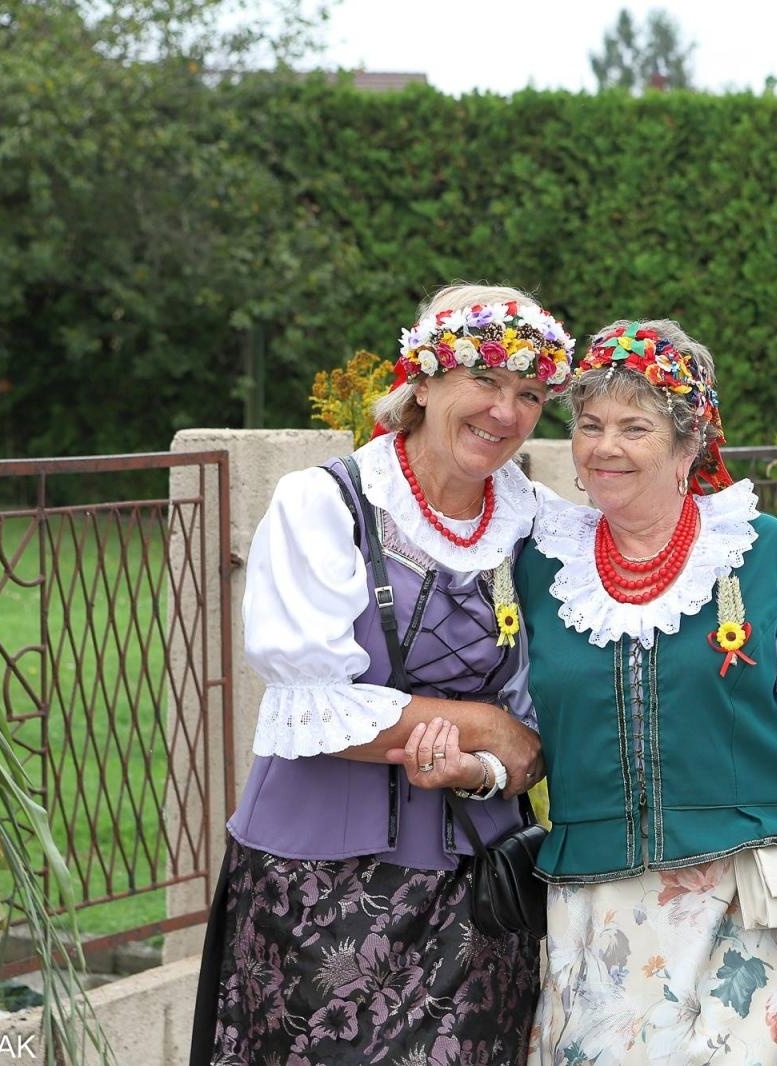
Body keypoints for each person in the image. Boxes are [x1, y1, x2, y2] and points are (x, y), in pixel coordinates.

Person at [189, 284, 573, 1065]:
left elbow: (539, 733)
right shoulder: (324, 505)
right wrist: (486, 724)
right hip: (316, 888)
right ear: (423, 381)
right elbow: (316, 711)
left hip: (478, 890)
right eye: (485, 379)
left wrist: (485, 762)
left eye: (530, 394)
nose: (505, 411)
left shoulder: (539, 524)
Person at [485, 319, 777, 1064]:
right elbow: (515, 717)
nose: (605, 446)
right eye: (590, 425)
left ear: (689, 445)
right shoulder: (540, 564)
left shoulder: (759, 551)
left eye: (635, 427)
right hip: (597, 906)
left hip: (747, 898)